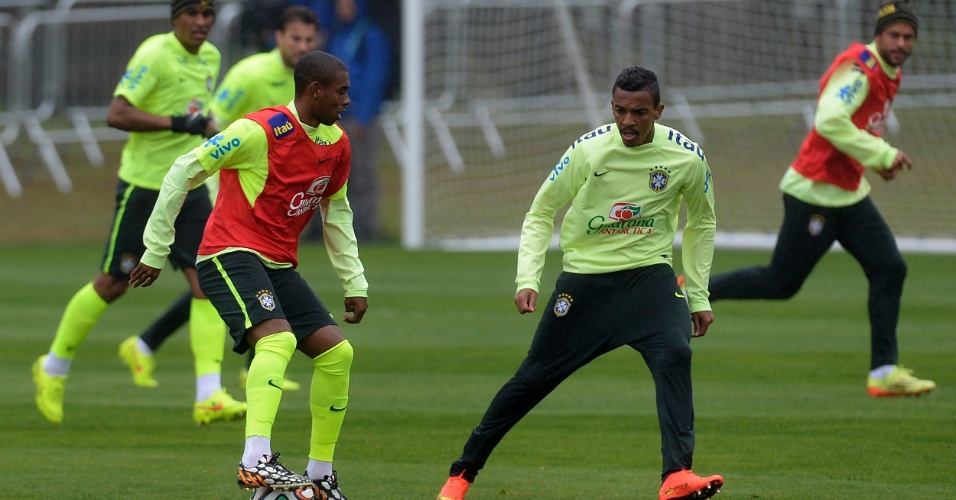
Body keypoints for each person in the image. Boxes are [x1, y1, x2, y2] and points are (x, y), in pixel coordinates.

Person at [436, 66, 723, 500]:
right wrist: (527, 277)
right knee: (531, 381)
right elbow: (540, 211)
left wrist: (697, 294)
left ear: (659, 111)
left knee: (676, 353)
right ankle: (461, 474)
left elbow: (703, 222)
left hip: (650, 280)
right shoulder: (589, 151)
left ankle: (676, 475)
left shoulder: (686, 157)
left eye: (639, 113)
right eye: (620, 110)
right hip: (585, 284)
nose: (628, 121)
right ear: (612, 107)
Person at [129, 50, 367, 499]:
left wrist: (353, 281)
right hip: (227, 252)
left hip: (277, 263)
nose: (347, 100)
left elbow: (337, 212)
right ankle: (256, 461)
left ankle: (319, 476)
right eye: (341, 91)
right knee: (277, 339)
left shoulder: (337, 143)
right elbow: (184, 169)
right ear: (314, 90)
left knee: (338, 355)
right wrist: (156, 249)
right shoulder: (259, 130)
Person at [698, 0, 934, 398]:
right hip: (815, 193)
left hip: (848, 195)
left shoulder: (889, 72)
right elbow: (828, 120)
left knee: (890, 267)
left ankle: (883, 372)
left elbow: (855, 128)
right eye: (894, 34)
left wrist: (875, 158)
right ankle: (694, 290)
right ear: (878, 35)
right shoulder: (862, 68)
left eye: (908, 36)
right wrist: (882, 154)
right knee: (780, 282)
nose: (901, 42)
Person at [31, 0, 247, 427]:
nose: (201, 23)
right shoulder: (154, 54)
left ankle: (209, 394)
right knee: (114, 283)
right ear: (175, 18)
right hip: (146, 189)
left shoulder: (211, 56)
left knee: (206, 281)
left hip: (190, 187)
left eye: (208, 15)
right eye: (193, 14)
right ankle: (53, 367)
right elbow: (118, 113)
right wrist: (178, 124)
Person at [118, 4, 321, 393]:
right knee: (223, 277)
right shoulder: (250, 74)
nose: (302, 46)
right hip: (226, 189)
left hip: (270, 196)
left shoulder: (309, 82)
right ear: (277, 37)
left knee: (218, 281)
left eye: (309, 40)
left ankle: (147, 345)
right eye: (295, 38)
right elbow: (214, 123)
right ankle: (215, 383)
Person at [305, 0, 390, 242]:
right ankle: (319, 229)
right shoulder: (334, 34)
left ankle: (365, 229)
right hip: (333, 118)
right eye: (340, 3)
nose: (344, 7)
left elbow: (376, 76)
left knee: (362, 175)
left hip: (358, 118)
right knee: (322, 173)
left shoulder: (370, 36)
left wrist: (365, 116)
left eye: (349, 3)